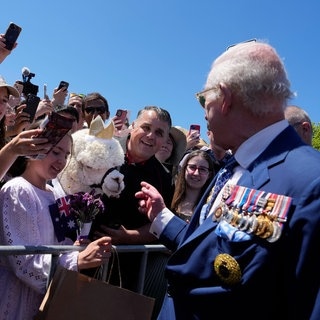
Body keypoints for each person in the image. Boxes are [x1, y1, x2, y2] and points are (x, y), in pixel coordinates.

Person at [135, 40, 320, 319]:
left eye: (202, 99)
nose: (203, 110)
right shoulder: (231, 168)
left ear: (225, 98)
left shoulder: (311, 184)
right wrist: (162, 217)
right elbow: (216, 248)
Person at [0, 134, 112, 320]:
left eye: (66, 155)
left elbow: (59, 246)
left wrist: (76, 250)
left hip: (46, 301)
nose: (61, 161)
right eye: (55, 152)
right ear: (31, 149)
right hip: (16, 301)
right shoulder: (18, 189)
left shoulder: (55, 194)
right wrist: (76, 261)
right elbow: (24, 262)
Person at [91, 105, 174, 292]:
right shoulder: (102, 147)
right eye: (146, 127)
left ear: (165, 141)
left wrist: (128, 237)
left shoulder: (164, 178)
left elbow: (160, 223)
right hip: (81, 255)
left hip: (125, 271)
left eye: (159, 133)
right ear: (133, 126)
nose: (151, 136)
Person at [171, 149, 214, 222]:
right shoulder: (168, 195)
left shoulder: (210, 208)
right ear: (184, 169)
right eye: (192, 167)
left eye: (202, 169)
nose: (196, 173)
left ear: (209, 175)